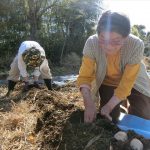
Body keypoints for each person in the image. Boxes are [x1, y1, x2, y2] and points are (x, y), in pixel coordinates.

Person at [77, 10, 150, 123]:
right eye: (103, 39)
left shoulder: (136, 44)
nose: (109, 47)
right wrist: (89, 103)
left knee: (144, 114)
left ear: (126, 38)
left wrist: (110, 105)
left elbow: (127, 83)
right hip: (108, 82)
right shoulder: (92, 43)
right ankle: (121, 108)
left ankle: (130, 111)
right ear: (98, 33)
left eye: (116, 41)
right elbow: (85, 76)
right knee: (110, 117)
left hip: (134, 82)